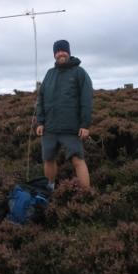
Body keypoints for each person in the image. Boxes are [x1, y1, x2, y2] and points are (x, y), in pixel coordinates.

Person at [36, 39, 93, 189]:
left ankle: (87, 195)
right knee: (48, 159)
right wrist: (40, 122)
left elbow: (86, 100)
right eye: (58, 51)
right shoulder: (49, 73)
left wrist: (85, 125)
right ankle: (50, 189)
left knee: (78, 160)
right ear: (54, 54)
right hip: (50, 128)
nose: (61, 53)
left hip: (71, 128)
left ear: (69, 52)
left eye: (64, 50)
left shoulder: (79, 72)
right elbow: (40, 98)